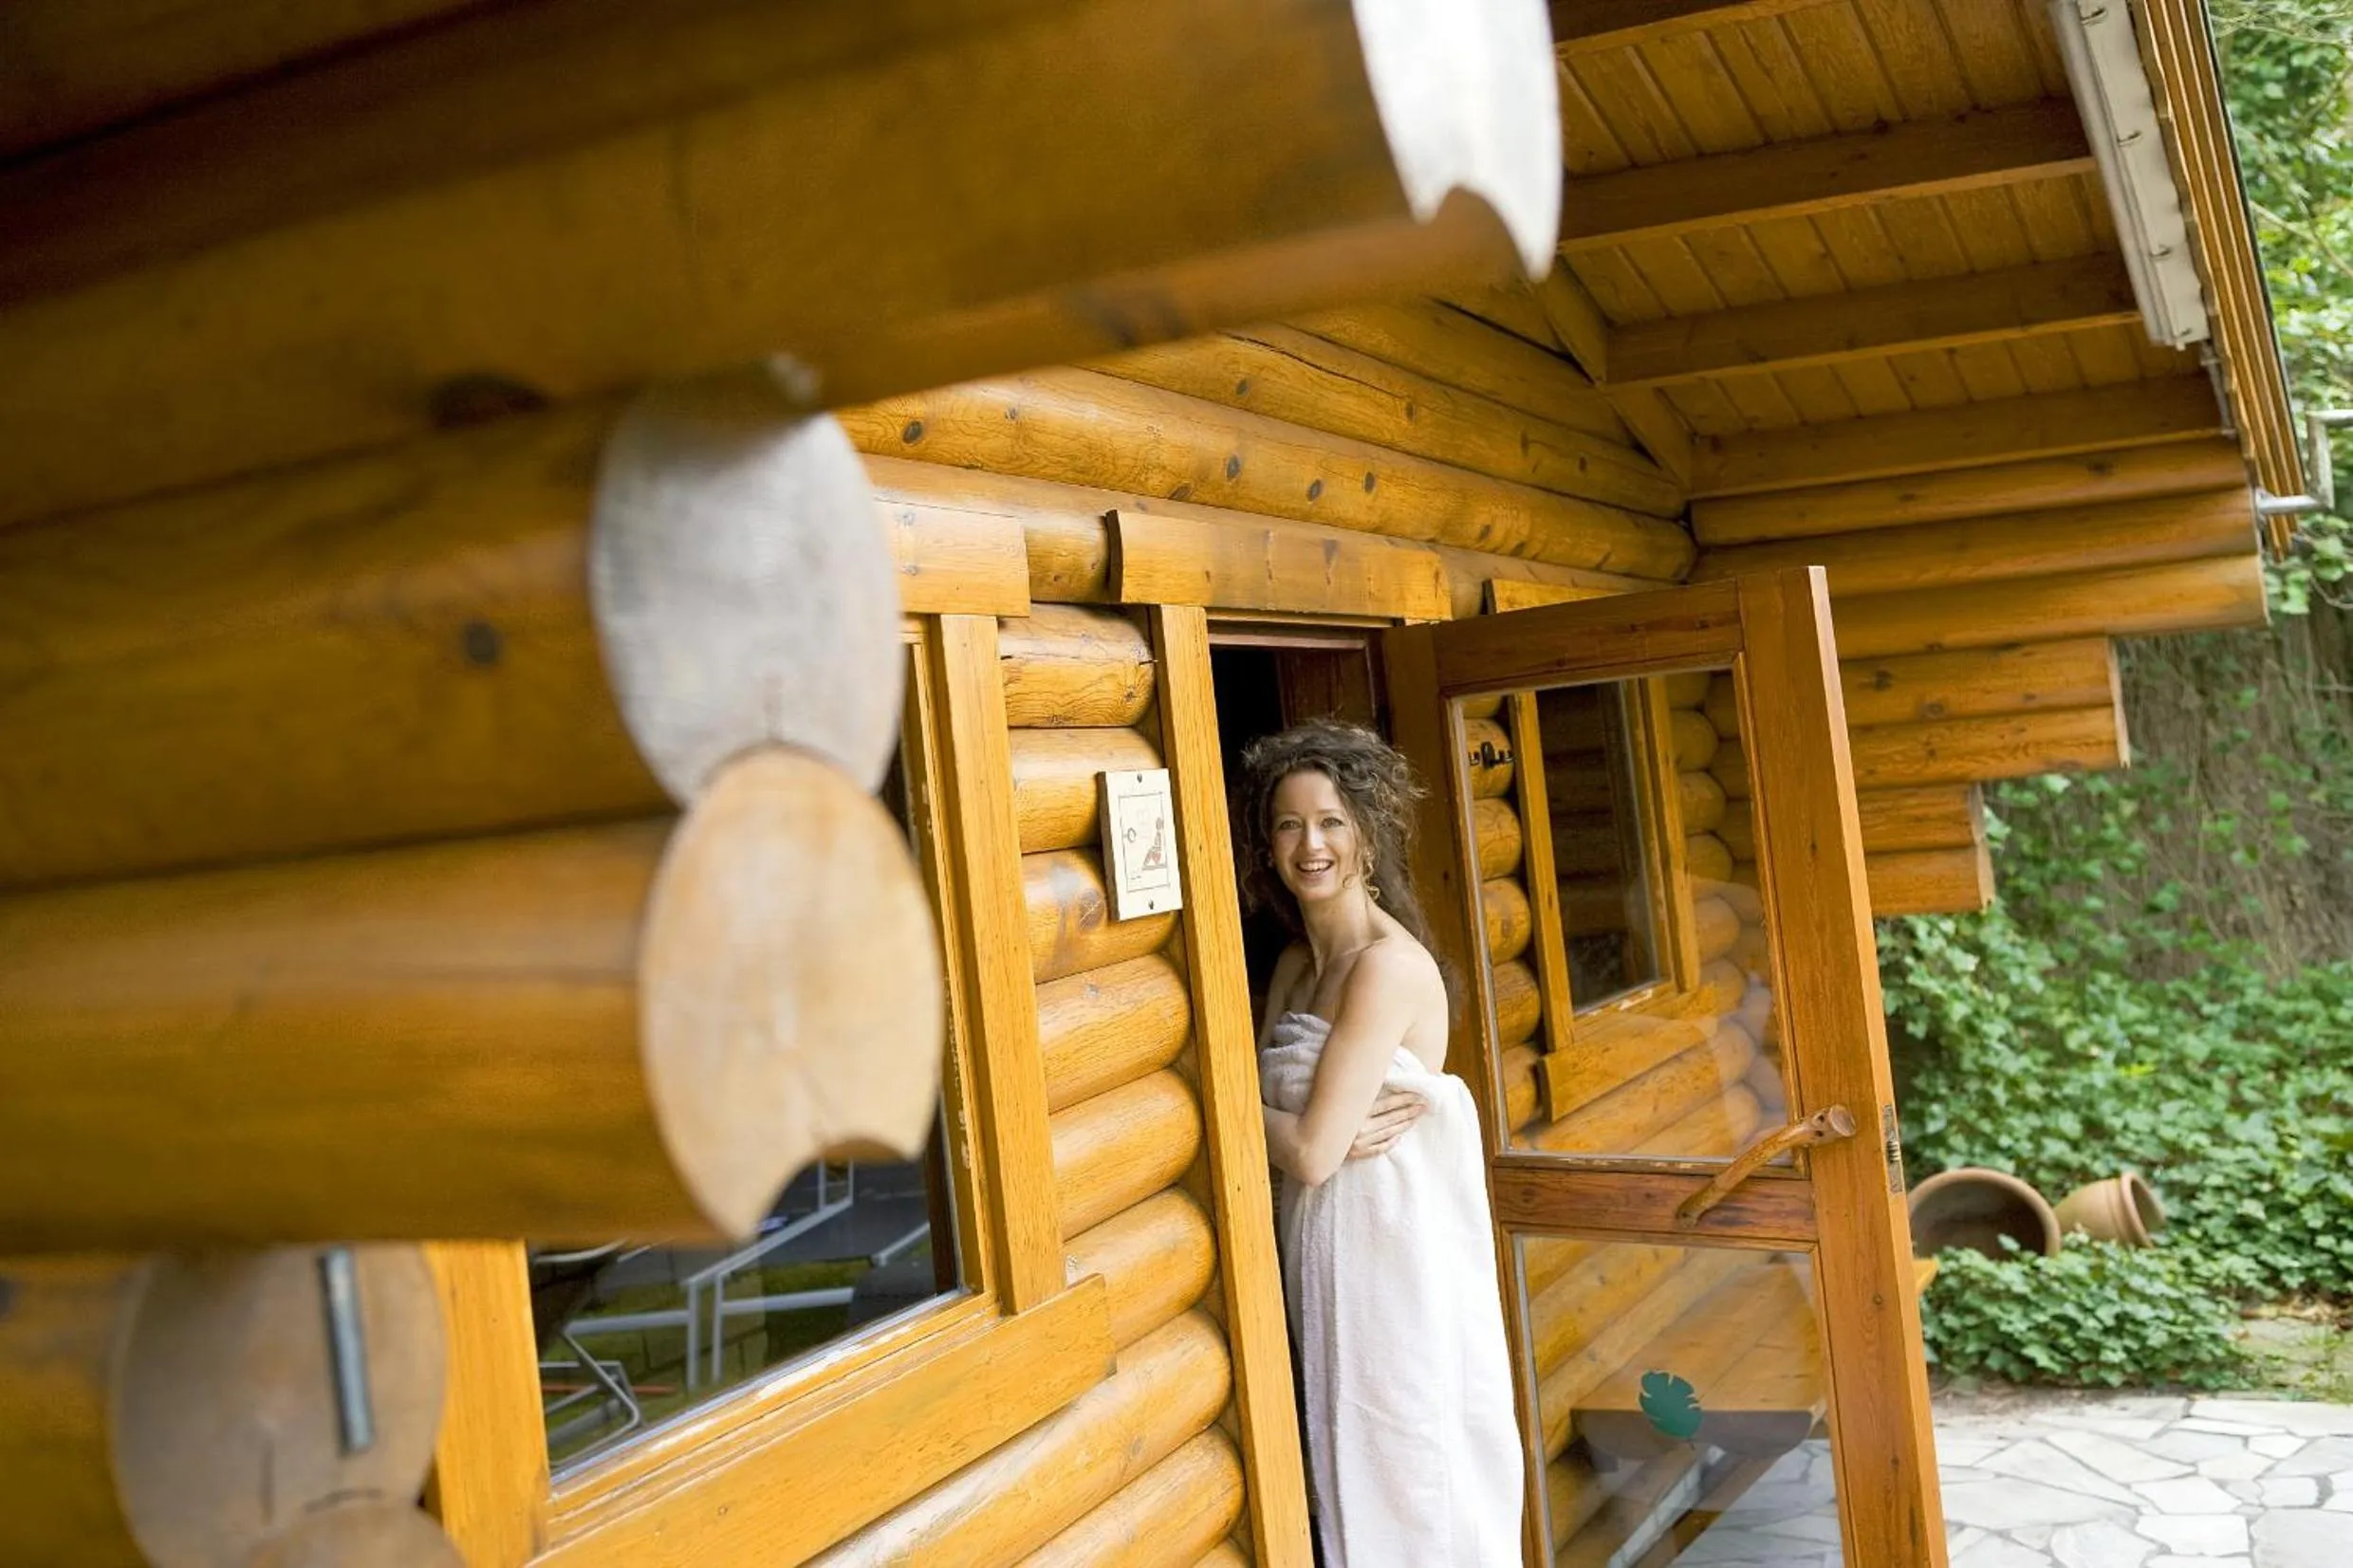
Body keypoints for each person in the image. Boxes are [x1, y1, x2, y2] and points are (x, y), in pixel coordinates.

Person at [1237, 718, 1523, 1567]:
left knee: (1403, 1466)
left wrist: (1240, 1117)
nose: (1310, 843)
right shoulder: (1294, 966)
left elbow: (1317, 1152)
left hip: (1390, 1266)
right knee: (1334, 1463)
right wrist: (1276, 1127)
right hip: (1315, 1248)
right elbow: (1300, 1133)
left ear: (1366, 834)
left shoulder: (1385, 968)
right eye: (1288, 824)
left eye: (1331, 820)